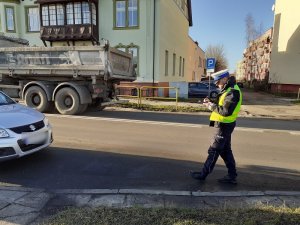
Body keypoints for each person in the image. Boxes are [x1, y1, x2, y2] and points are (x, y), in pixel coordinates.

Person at [190, 69, 242, 184]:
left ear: (224, 79)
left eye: (218, 81)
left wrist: (210, 106)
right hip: (224, 124)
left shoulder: (233, 91)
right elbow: (222, 103)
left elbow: (225, 111)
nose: (216, 84)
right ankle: (232, 176)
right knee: (225, 151)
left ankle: (203, 174)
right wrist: (211, 101)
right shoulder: (228, 89)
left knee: (213, 150)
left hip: (224, 125)